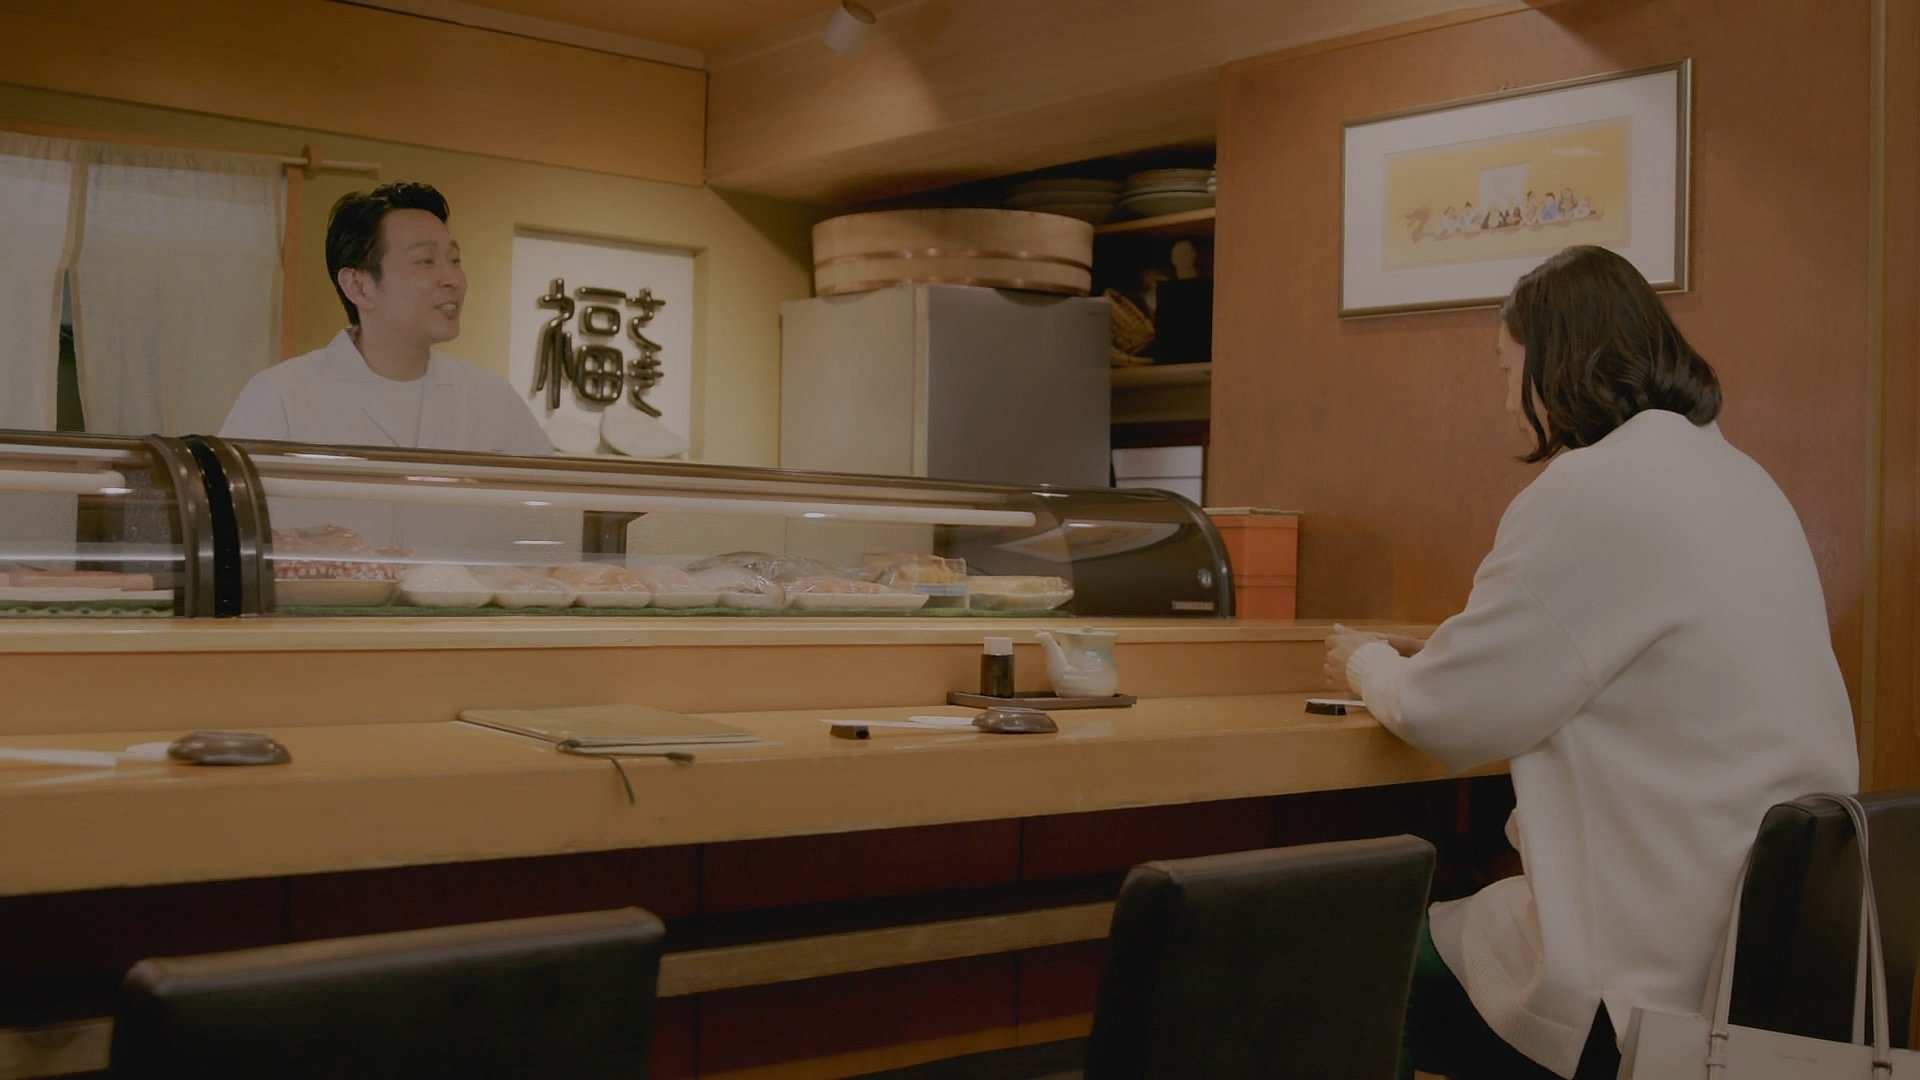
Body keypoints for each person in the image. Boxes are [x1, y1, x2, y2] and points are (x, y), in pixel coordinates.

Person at [1323, 245, 1858, 1079]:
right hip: (1761, 950)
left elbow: (1447, 716)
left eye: (1507, 367)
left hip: (1645, 970)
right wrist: (1458, 659)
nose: (1507, 397)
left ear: (1553, 360)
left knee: (1349, 967)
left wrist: (1367, 664)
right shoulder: (1741, 479)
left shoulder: (1592, 487)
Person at [220, 182, 549, 456]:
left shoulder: (492, 399)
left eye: (454, 260)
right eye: (425, 261)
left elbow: (551, 505)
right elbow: (231, 509)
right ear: (358, 286)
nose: (453, 279)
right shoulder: (281, 396)